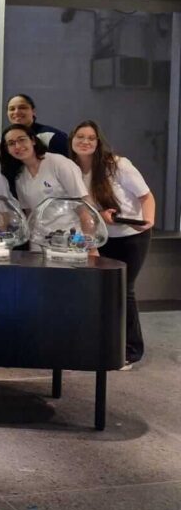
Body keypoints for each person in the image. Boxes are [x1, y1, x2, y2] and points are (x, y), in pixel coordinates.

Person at [70, 120, 155, 368]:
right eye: (80, 137)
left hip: (131, 236)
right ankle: (104, 343)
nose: (85, 142)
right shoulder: (71, 169)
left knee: (124, 290)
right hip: (101, 237)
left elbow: (146, 196)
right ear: (72, 140)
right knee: (100, 291)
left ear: (98, 142)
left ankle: (131, 349)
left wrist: (148, 222)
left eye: (91, 138)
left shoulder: (117, 165)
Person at [0, 123, 87, 212]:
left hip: (70, 221)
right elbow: (29, 212)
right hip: (38, 221)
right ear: (7, 150)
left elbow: (82, 203)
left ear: (33, 140)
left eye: (22, 140)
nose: (17, 146)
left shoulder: (59, 163)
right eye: (11, 143)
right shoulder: (20, 177)